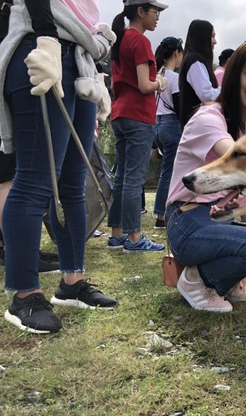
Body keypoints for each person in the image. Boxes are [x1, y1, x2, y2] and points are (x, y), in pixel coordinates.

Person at [0, 0, 118, 333]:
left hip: (78, 58)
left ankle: (72, 282)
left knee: (72, 185)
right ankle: (25, 294)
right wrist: (47, 37)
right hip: (42, 44)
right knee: (34, 180)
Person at [164, 39, 246, 313]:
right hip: (187, 220)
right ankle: (196, 281)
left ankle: (222, 280)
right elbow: (238, 162)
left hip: (219, 219)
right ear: (234, 75)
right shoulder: (209, 118)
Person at [107, 0, 168, 253]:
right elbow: (145, 85)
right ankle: (134, 238)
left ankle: (117, 235)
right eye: (155, 11)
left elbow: (114, 85)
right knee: (134, 178)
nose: (158, 17)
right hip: (138, 116)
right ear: (141, 11)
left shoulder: (119, 39)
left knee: (121, 177)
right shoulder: (140, 41)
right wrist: (160, 82)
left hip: (120, 113)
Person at [153, 36, 183, 229]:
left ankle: (161, 212)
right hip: (172, 124)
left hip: (157, 124)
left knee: (167, 171)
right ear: (176, 53)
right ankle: (161, 215)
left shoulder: (155, 76)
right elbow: (180, 107)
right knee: (170, 172)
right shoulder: (174, 78)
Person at [178, 19, 219, 128]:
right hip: (197, 125)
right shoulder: (195, 61)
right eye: (212, 36)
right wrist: (227, 89)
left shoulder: (192, 60)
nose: (215, 41)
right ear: (202, 38)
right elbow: (207, 95)